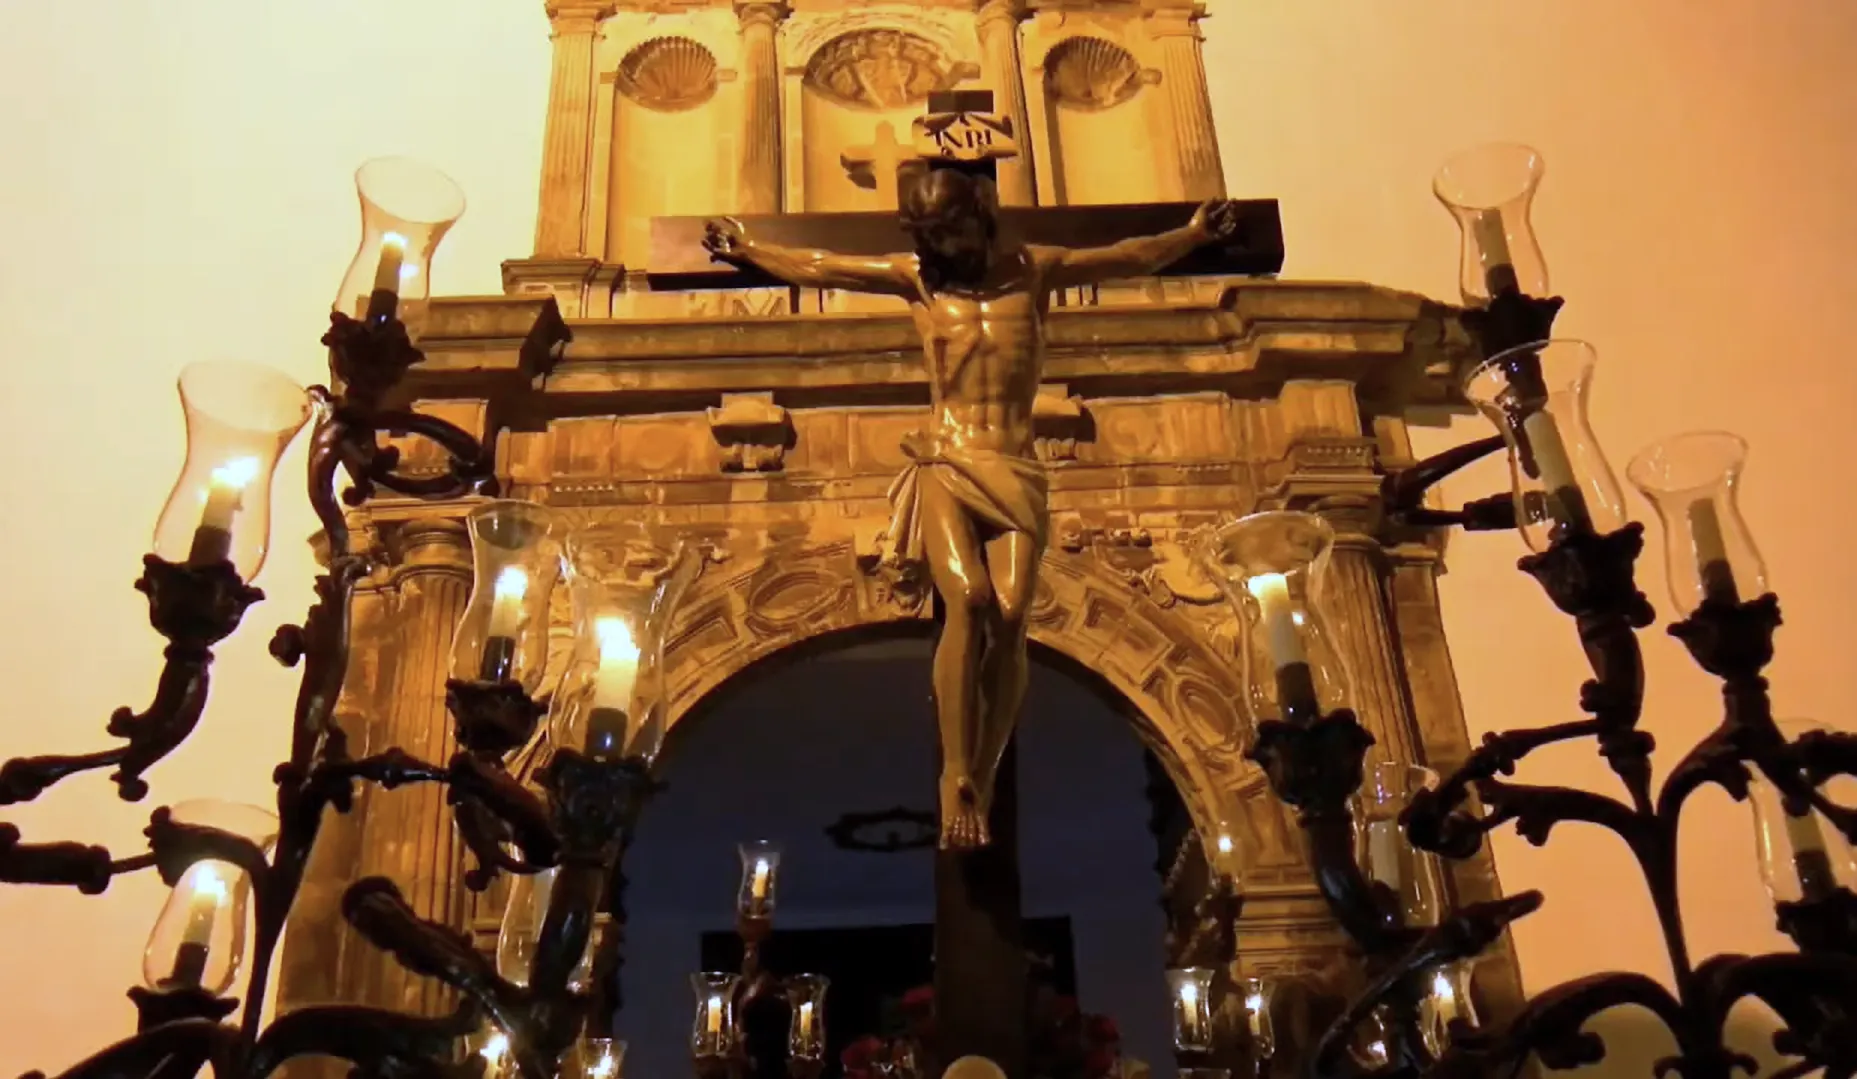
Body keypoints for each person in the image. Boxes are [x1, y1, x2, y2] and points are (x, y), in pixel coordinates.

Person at [704, 169, 1241, 849]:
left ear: (978, 218)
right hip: (948, 460)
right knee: (968, 597)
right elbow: (823, 265)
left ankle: (981, 772)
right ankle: (954, 769)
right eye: (923, 235)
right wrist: (750, 249)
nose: (933, 247)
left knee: (1014, 613)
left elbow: (1128, 257)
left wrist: (1191, 235)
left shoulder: (1033, 270)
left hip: (1015, 463)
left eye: (943, 232)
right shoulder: (918, 279)